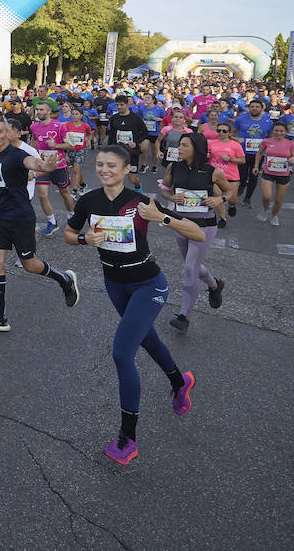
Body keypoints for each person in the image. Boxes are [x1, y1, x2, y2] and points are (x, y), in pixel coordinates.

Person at [63, 146, 199, 465]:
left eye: (112, 165)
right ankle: (180, 382)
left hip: (149, 284)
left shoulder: (140, 202)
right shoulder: (89, 201)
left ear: (126, 170)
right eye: (100, 165)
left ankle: (128, 438)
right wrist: (84, 240)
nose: (105, 169)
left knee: (123, 352)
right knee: (147, 338)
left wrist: (162, 216)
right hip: (115, 285)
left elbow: (197, 234)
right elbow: (69, 233)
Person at [0, 116, 80, 330]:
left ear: (8, 133)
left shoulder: (18, 155)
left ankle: (64, 279)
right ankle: (0, 317)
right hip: (0, 217)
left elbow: (34, 163)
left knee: (30, 265)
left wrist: (45, 165)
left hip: (20, 217)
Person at [158, 133, 229, 334]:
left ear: (196, 148)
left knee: (190, 267)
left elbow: (231, 191)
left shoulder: (212, 172)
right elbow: (164, 189)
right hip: (180, 223)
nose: (178, 148)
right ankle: (215, 285)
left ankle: (184, 316)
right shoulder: (173, 167)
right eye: (179, 145)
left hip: (204, 225)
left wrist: (219, 200)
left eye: (184, 145)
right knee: (194, 266)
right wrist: (171, 196)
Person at [29, 102, 77, 235]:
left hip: (58, 166)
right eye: (37, 109)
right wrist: (32, 152)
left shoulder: (60, 126)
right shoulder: (34, 126)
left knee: (65, 194)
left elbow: (71, 145)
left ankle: (71, 217)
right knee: (42, 195)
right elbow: (33, 141)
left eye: (41, 110)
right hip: (42, 166)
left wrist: (56, 145)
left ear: (48, 112)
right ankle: (52, 222)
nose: (38, 112)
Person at [233, 99, 274, 208]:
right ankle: (242, 185)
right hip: (242, 152)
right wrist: (236, 139)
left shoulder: (268, 122)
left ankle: (247, 198)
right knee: (242, 175)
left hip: (258, 153)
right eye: (252, 106)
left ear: (262, 109)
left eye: (257, 107)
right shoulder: (241, 119)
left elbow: (270, 138)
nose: (254, 108)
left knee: (253, 175)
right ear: (249, 108)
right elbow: (231, 133)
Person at [256, 121, 294, 225]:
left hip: (283, 175)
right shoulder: (266, 141)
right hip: (268, 172)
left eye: (281, 131)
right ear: (272, 131)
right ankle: (265, 210)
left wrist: (293, 158)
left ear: (286, 132)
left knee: (278, 200)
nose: (279, 133)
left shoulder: (290, 143)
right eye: (276, 131)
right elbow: (260, 153)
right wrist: (256, 166)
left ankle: (274, 215)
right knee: (267, 196)